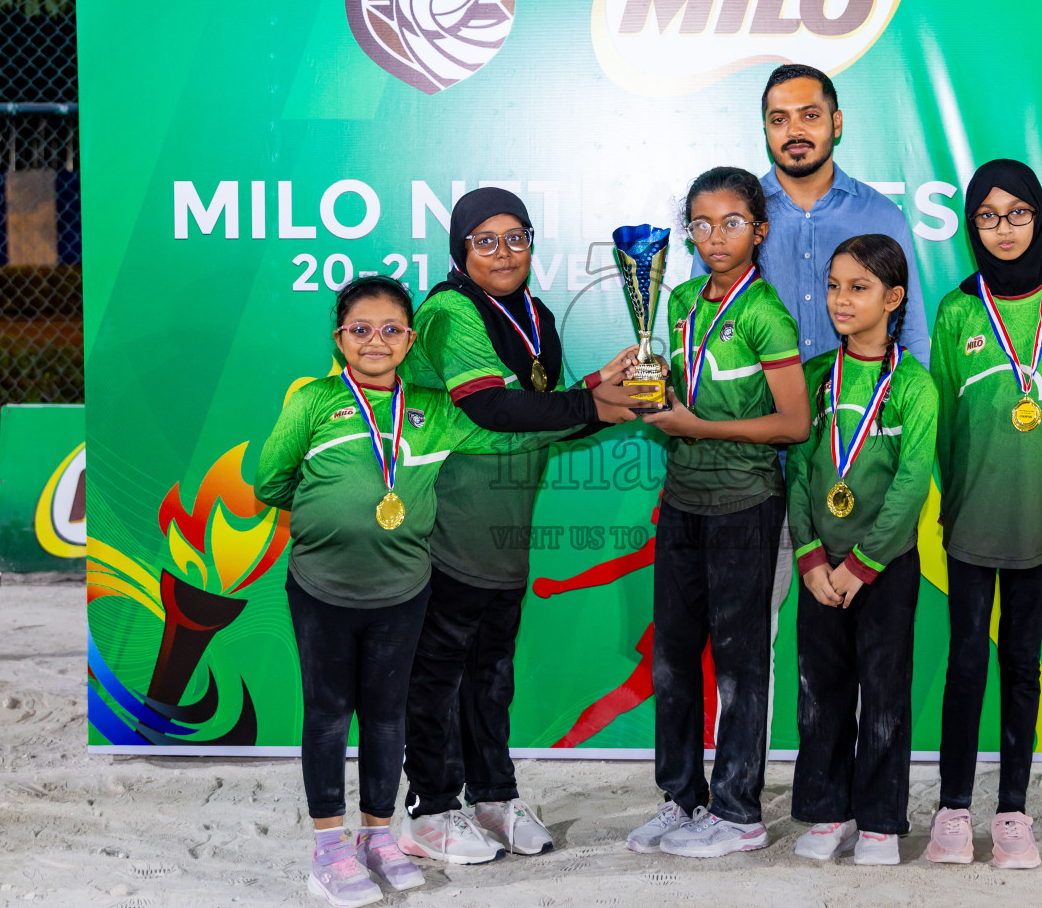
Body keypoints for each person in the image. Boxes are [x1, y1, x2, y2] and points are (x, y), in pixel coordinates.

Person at [254, 276, 581, 907]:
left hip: (403, 591)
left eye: (390, 330)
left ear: (410, 338)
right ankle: (329, 849)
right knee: (327, 715)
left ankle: (380, 837)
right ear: (338, 337)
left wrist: (595, 401)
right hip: (321, 589)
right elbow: (270, 481)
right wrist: (332, 515)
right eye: (360, 329)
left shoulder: (434, 412)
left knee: (385, 716)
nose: (375, 341)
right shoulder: (314, 402)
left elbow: (513, 432)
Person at [396, 187, 637, 864]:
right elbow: (492, 411)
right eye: (486, 240)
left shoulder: (535, 314)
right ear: (460, 249)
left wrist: (604, 392)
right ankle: (433, 808)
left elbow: (541, 416)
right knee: (438, 669)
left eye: (517, 237)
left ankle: (493, 798)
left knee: (491, 668)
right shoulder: (449, 312)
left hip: (505, 525)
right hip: (447, 517)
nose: (504, 252)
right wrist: (591, 398)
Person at [626, 166, 811, 858]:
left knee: (739, 664)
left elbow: (793, 423)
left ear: (759, 230)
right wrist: (643, 386)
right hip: (681, 503)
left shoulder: (766, 314)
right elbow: (671, 389)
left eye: (731, 222)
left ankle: (738, 813)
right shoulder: (674, 302)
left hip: (746, 506)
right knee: (673, 661)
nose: (714, 237)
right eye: (699, 225)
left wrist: (695, 426)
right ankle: (681, 799)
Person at [925, 159, 1042, 870]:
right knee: (966, 663)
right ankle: (953, 811)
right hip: (971, 521)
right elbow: (944, 427)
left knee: (1022, 665)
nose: (1004, 229)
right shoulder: (957, 311)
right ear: (971, 226)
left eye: (1018, 213)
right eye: (988, 216)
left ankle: (1013, 814)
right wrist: (960, 503)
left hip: (1035, 521)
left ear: (1039, 219)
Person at [785, 234, 937, 866]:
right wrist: (812, 555)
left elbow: (910, 485)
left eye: (859, 287)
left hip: (884, 568)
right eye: (834, 286)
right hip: (821, 570)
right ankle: (828, 812)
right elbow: (797, 471)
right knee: (820, 692)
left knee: (882, 695)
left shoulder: (915, 386)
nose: (840, 300)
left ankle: (878, 820)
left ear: (893, 297)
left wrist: (862, 564)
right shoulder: (817, 378)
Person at [747, 63, 931, 365]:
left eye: (810, 116)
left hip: (860, 410)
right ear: (766, 129)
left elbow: (910, 332)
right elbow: (701, 323)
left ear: (837, 122)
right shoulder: (737, 217)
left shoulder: (882, 217)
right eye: (779, 119)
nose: (794, 131)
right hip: (759, 411)